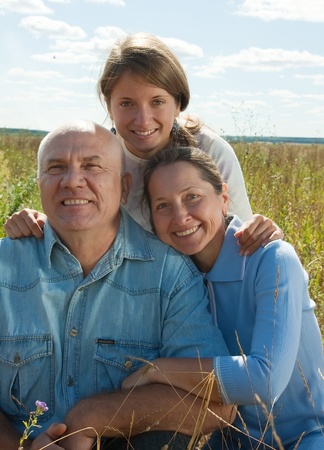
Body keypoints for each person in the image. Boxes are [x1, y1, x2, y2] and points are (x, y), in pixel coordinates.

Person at [0, 121, 235, 450]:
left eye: (92, 166)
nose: (72, 181)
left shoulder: (170, 274)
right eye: (56, 168)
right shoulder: (5, 266)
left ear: (125, 187)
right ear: (39, 183)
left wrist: (92, 415)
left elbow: (218, 405)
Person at [4, 32, 282, 255]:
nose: (142, 119)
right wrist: (38, 223)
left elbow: (242, 237)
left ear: (178, 103)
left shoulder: (209, 151)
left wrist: (263, 235)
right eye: (126, 103)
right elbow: (78, 218)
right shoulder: (100, 156)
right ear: (108, 105)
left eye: (157, 102)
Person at [122, 146, 324, 449]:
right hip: (229, 441)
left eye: (192, 196)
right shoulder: (175, 277)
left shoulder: (271, 258)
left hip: (307, 437)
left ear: (223, 197)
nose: (180, 216)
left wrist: (157, 370)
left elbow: (264, 382)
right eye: (163, 206)